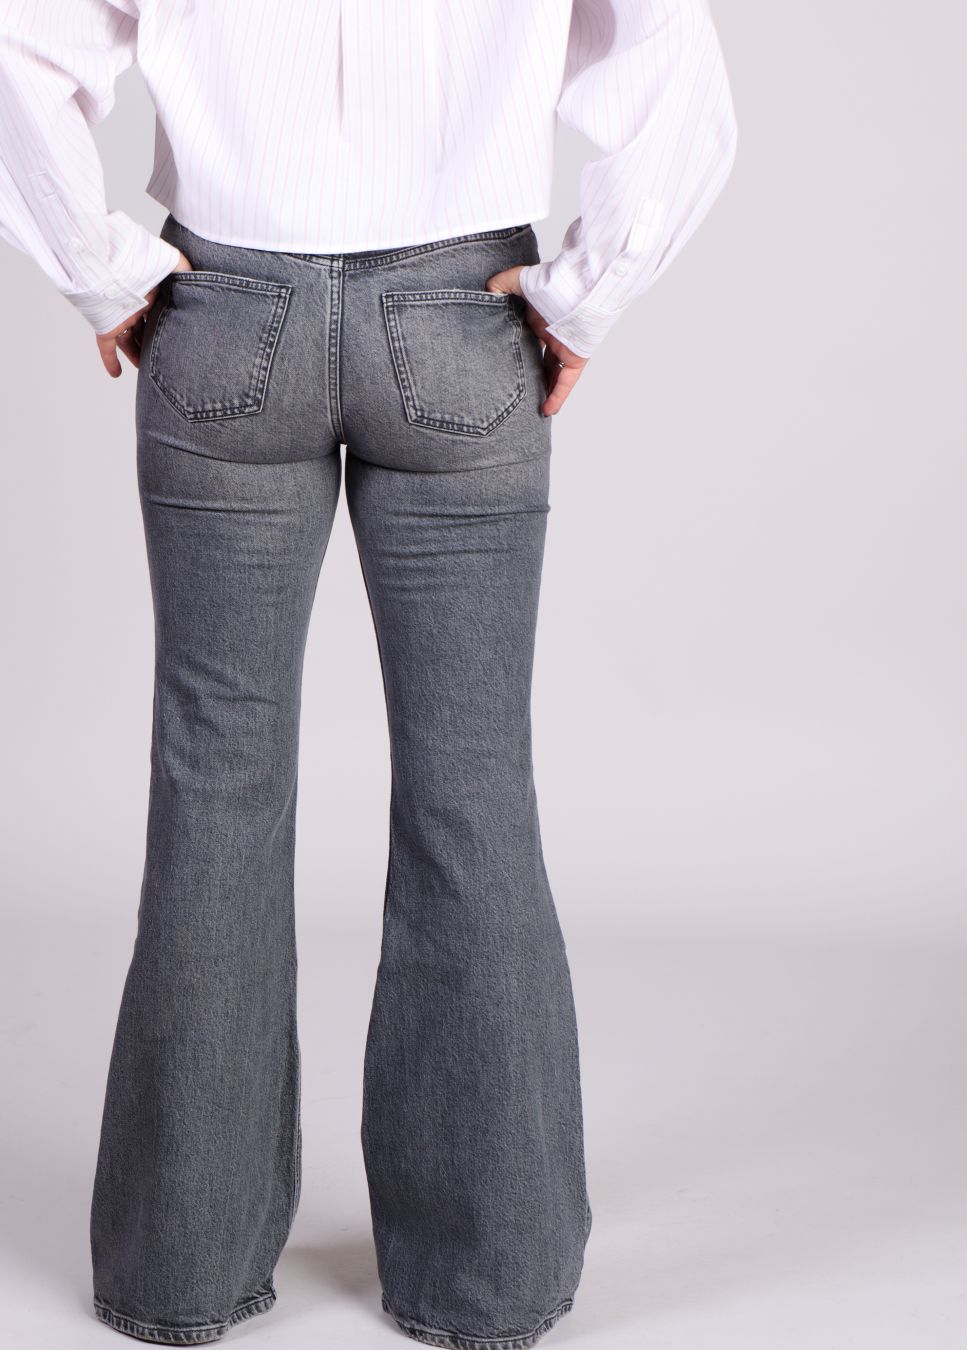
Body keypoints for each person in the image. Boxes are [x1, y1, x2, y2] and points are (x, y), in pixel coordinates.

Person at [0, 2, 737, 1346]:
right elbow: (674, 67)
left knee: (215, 784)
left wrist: (99, 272)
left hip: (226, 307)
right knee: (473, 789)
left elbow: (19, 50)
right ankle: (490, 1275)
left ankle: (178, 1270)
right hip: (461, 317)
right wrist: (589, 293)